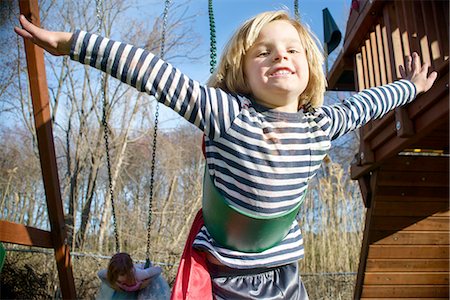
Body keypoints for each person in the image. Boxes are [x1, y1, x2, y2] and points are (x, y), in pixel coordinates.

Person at [15, 10, 437, 299]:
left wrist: (412, 88)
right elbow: (150, 72)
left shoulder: (320, 124)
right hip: (226, 276)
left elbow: (372, 102)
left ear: (309, 66)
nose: (280, 56)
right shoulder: (228, 114)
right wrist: (71, 43)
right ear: (242, 70)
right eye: (264, 50)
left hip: (285, 275)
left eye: (292, 50)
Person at [97, 252, 162, 292]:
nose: (118, 278)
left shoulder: (139, 275)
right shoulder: (110, 274)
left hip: (141, 288)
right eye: (115, 274)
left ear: (129, 271)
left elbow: (158, 270)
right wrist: (114, 287)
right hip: (123, 291)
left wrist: (146, 283)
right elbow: (99, 274)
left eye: (122, 274)